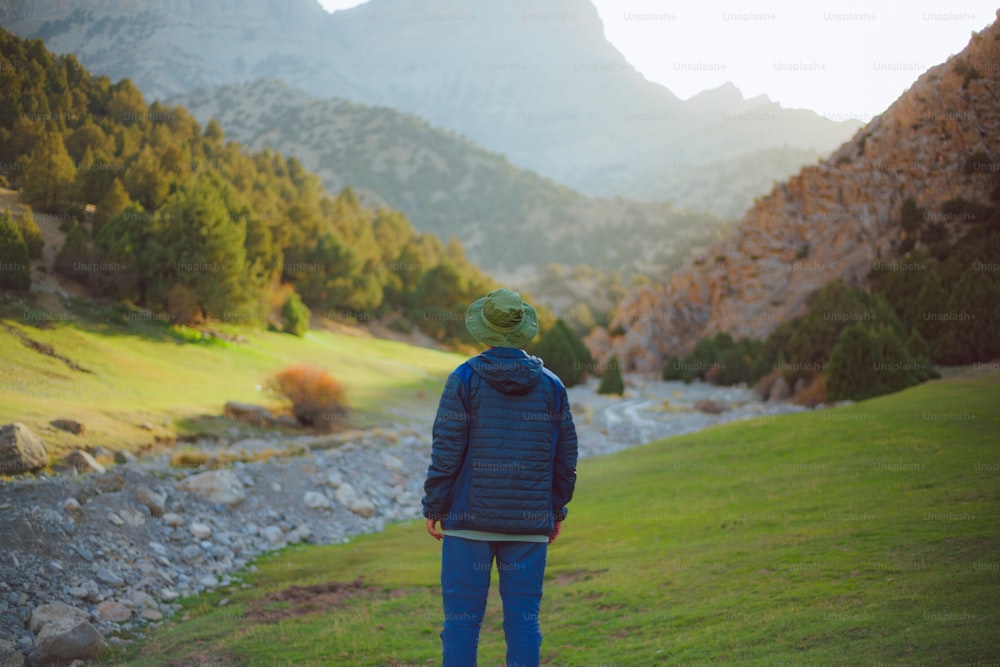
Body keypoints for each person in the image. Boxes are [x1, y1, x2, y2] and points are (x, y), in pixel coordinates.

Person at [423, 287, 578, 667]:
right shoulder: (552, 386)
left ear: (484, 330)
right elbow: (565, 458)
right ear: (522, 329)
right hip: (528, 527)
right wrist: (555, 511)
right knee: (524, 624)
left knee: (461, 625)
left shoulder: (462, 379)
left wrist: (434, 504)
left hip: (467, 523)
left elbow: (446, 451)